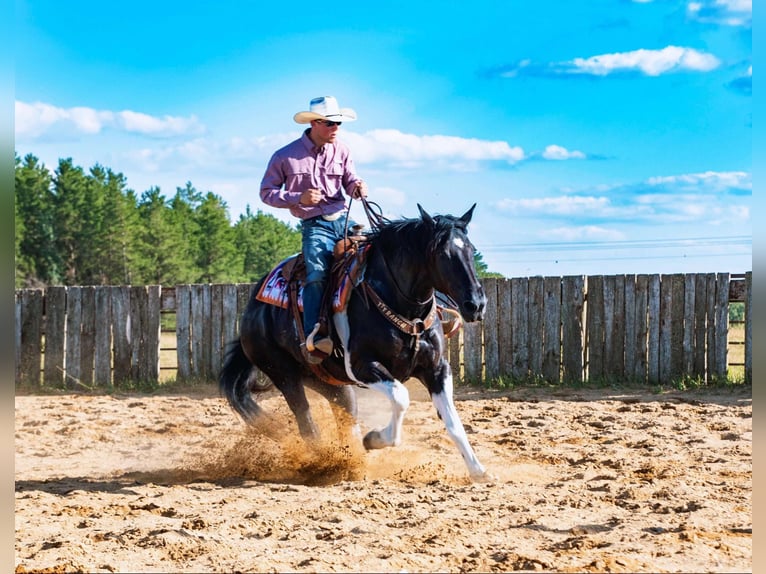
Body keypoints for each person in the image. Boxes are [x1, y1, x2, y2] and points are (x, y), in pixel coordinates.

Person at [260, 96, 368, 363]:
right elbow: (266, 193)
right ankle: (315, 335)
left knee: (379, 259)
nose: (336, 129)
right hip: (314, 226)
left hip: (344, 221)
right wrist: (298, 198)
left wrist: (356, 186)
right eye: (331, 124)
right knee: (317, 273)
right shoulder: (285, 156)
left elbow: (349, 179)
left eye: (339, 124)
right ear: (316, 123)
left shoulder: (342, 150)